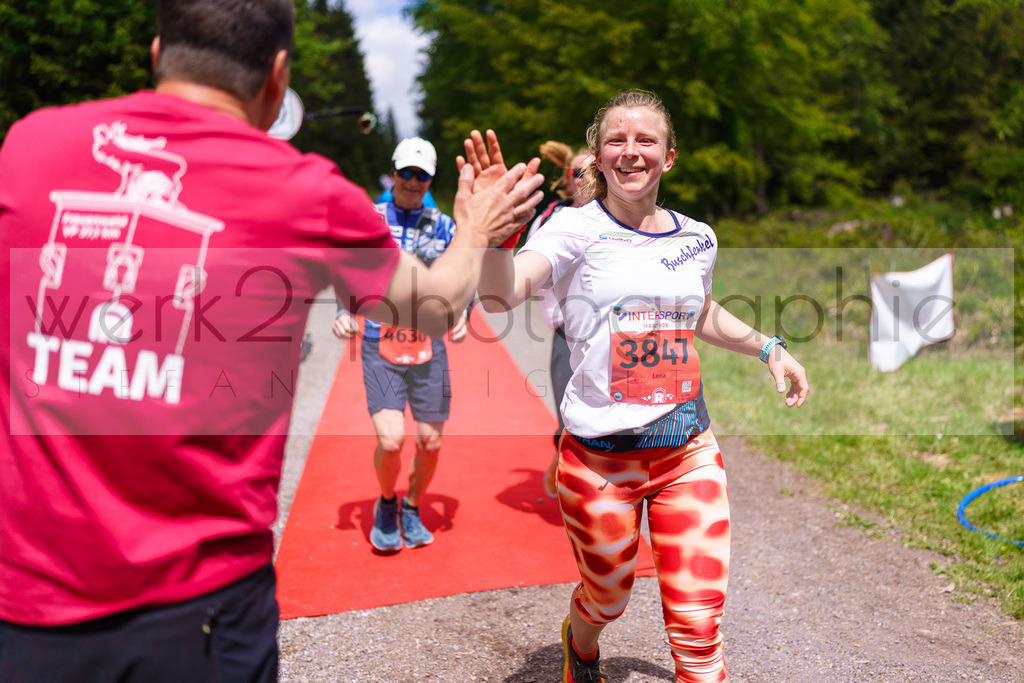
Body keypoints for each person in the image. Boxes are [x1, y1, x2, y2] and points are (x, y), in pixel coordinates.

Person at [0, 1, 544, 681]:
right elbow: (433, 306)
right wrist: (475, 227)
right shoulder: (307, 192)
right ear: (278, 76)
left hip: (26, 605)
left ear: (157, 49)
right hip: (204, 611)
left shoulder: (28, 144)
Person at [473, 91, 809, 683]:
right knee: (608, 598)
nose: (631, 152)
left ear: (669, 157)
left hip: (687, 451)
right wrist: (492, 238)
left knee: (699, 626)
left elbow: (699, 311)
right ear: (599, 160)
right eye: (616, 141)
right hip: (601, 459)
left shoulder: (696, 238)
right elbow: (502, 294)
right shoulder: (572, 230)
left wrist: (767, 346)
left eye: (645, 140)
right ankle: (581, 641)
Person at [332, 136, 466, 552]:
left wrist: (462, 312)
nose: (412, 181)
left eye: (421, 175)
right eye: (405, 172)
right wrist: (342, 310)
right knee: (390, 440)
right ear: (393, 172)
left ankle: (412, 506)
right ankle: (386, 503)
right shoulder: (369, 219)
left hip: (428, 343)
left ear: (430, 180)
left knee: (430, 441)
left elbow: (465, 272)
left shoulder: (444, 225)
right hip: (379, 342)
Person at [524, 141, 595, 498]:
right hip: (567, 329)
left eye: (592, 172)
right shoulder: (551, 216)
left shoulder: (618, 214)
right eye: (577, 173)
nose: (585, 180)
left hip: (613, 331)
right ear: (567, 179)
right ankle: (563, 453)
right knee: (570, 412)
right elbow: (533, 273)